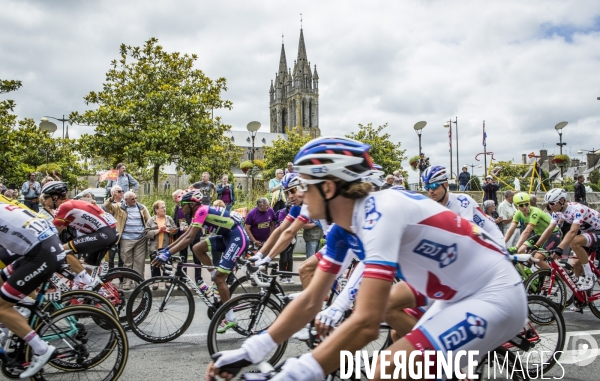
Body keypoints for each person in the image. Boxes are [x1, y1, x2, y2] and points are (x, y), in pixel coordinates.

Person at [206, 137, 526, 381]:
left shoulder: (381, 210)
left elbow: (367, 324)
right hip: (450, 293)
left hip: (493, 293)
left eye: (305, 184)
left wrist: (294, 374)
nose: (300, 194)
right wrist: (249, 352)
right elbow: (309, 300)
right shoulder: (341, 230)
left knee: (387, 369)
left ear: (329, 186)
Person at [152, 190, 248, 333]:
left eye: (183, 205)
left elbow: (189, 238)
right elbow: (184, 236)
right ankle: (216, 275)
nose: (181, 208)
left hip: (236, 238)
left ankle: (230, 318)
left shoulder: (201, 211)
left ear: (191, 204)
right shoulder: (198, 212)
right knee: (198, 248)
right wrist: (166, 250)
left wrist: (167, 254)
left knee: (219, 279)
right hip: (227, 236)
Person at [0, 195, 66, 377]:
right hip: (42, 248)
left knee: (1, 307)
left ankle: (41, 349)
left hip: (41, 254)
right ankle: (9, 327)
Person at [535, 188, 600, 291]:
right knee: (576, 265)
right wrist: (536, 245)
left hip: (598, 230)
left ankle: (589, 275)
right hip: (588, 233)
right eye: (548, 204)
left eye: (552, 203)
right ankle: (582, 298)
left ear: (561, 200)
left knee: (574, 242)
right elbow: (549, 229)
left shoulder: (577, 209)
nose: (550, 207)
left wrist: (560, 248)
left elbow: (573, 231)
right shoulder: (557, 212)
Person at [104, 190, 150, 288]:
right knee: (127, 262)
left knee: (139, 261)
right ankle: (127, 282)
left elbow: (149, 220)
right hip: (126, 239)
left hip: (141, 239)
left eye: (136, 198)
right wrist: (112, 198)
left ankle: (139, 281)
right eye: (132, 199)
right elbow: (107, 206)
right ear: (126, 200)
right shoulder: (119, 207)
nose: (135, 200)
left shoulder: (141, 207)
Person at [504, 192, 560, 271]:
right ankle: (525, 276)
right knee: (520, 251)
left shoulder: (535, 212)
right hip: (540, 235)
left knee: (538, 259)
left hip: (553, 234)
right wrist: (503, 243)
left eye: (526, 204)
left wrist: (516, 247)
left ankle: (557, 278)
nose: (524, 207)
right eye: (521, 205)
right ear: (517, 206)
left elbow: (527, 232)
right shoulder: (518, 213)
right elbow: (511, 229)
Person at [144, 200, 177, 290]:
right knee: (155, 264)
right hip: (154, 246)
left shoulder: (169, 218)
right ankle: (156, 282)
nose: (164, 209)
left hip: (166, 246)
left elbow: (175, 230)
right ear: (156, 210)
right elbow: (146, 233)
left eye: (165, 207)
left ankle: (167, 281)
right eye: (162, 207)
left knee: (168, 263)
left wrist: (168, 230)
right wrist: (158, 230)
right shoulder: (151, 220)